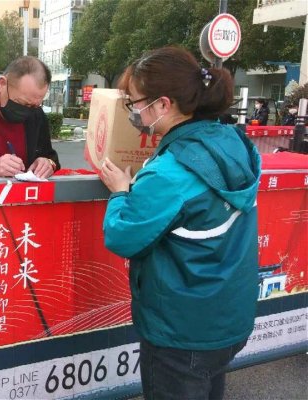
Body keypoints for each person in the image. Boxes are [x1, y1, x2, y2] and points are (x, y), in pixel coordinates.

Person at [99, 47, 260, 400]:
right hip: (228, 320)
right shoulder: (232, 144)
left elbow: (122, 236)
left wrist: (121, 193)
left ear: (163, 104)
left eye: (134, 102)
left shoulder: (170, 173)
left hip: (181, 334)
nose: (133, 111)